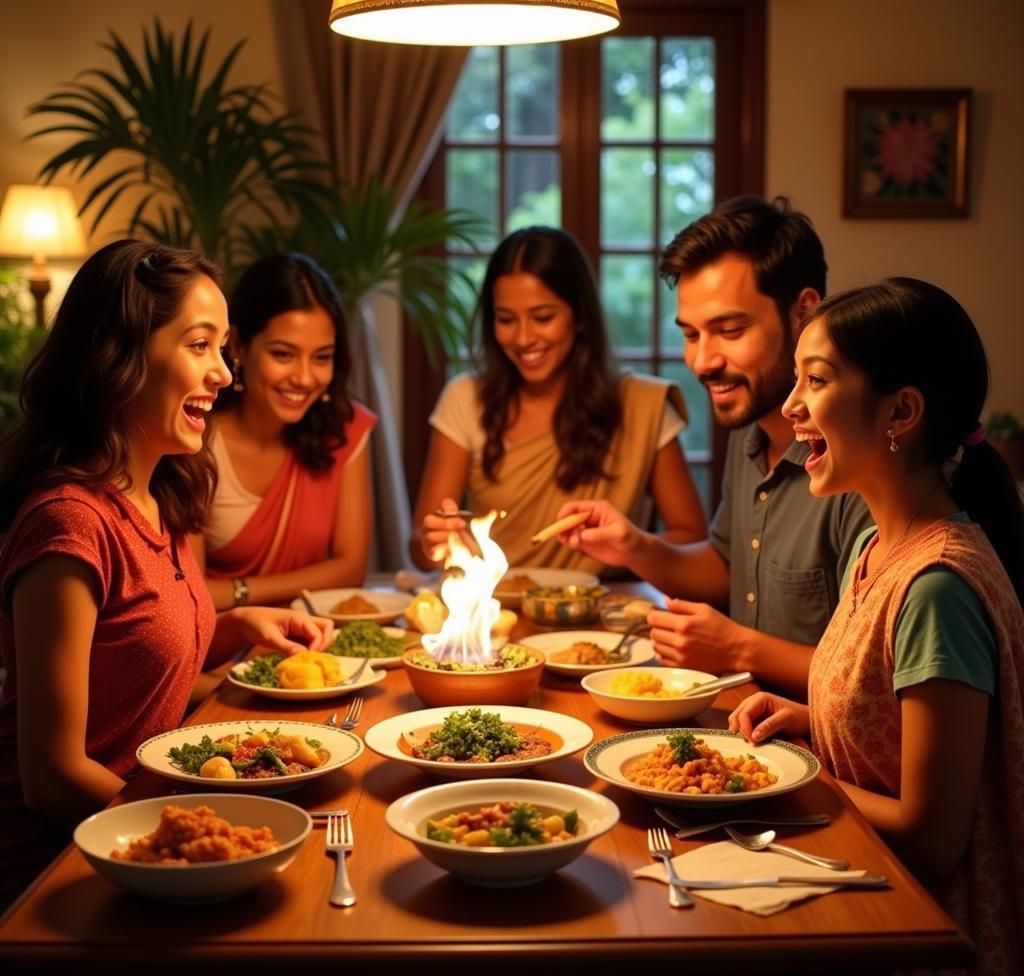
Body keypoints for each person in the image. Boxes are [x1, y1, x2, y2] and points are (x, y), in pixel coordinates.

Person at [0, 240, 334, 909]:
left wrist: (237, 626)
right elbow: (54, 775)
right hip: (57, 869)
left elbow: (129, 658)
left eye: (224, 349)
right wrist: (209, 825)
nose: (224, 375)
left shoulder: (168, 495)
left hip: (151, 837)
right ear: (121, 354)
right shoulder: (71, 525)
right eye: (199, 345)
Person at [728, 278, 1024, 976]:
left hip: (922, 932)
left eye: (816, 381)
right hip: (860, 890)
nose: (791, 406)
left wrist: (788, 776)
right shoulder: (874, 548)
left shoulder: (938, 588)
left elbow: (932, 839)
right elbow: (890, 727)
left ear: (902, 411)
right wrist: (807, 719)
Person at [557, 196, 872, 693]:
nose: (702, 361)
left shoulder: (862, 463)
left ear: (804, 312)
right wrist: (633, 545)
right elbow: (727, 570)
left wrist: (737, 648)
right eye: (690, 334)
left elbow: (878, 676)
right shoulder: (752, 432)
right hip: (744, 724)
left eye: (729, 330)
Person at [409, 225, 706, 574]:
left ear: (579, 315)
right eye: (506, 320)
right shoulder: (465, 398)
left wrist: (632, 545)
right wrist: (435, 540)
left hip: (600, 615)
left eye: (543, 318)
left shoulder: (642, 405)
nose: (523, 338)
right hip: (496, 612)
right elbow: (418, 548)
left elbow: (694, 539)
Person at [190, 253, 376, 610]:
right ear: (239, 345)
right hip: (217, 647)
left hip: (315, 639)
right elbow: (194, 595)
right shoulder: (194, 438)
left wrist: (236, 591)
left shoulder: (344, 431)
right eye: (283, 354)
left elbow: (351, 569)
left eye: (321, 357)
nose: (305, 378)